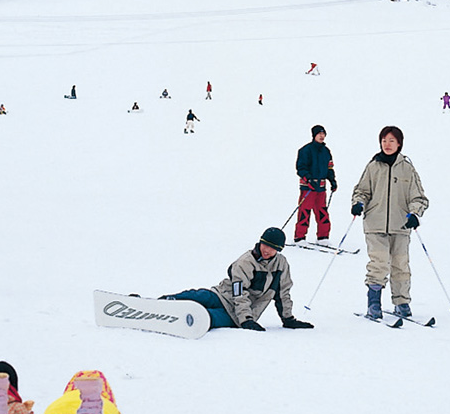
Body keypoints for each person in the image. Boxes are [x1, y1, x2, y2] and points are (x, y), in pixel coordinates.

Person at [164, 227, 314, 331]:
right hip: (222, 296)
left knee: (210, 317)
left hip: (236, 315)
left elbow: (283, 293)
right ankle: (164, 301)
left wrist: (288, 319)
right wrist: (246, 319)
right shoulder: (246, 261)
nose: (266, 250)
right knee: (199, 296)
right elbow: (238, 291)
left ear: (279, 250)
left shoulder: (281, 265)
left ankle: (183, 319)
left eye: (272, 247)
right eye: (265, 245)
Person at [351, 126, 429, 320]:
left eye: (391, 141)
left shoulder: (407, 168)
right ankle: (374, 303)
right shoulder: (373, 166)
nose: (387, 144)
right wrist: (358, 204)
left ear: (399, 143)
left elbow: (418, 197)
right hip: (375, 225)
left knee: (400, 264)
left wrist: (414, 214)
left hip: (400, 226)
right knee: (378, 263)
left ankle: (402, 302)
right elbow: (362, 191)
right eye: (384, 140)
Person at [295, 126, 337, 243]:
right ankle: (300, 237)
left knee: (322, 212)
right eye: (319, 134)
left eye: (323, 134)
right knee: (305, 212)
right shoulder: (305, 150)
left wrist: (332, 181)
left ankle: (323, 237)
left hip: (321, 188)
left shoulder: (326, 151)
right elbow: (300, 168)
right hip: (308, 187)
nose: (322, 136)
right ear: (314, 135)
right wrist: (308, 179)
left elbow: (329, 168)